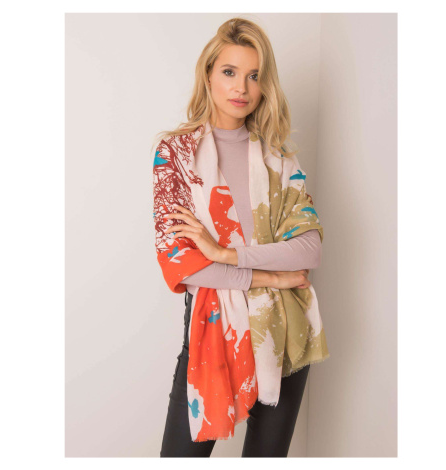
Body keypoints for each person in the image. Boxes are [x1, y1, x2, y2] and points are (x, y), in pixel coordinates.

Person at [153, 17, 323, 457]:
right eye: (229, 71)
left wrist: (224, 253)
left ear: (265, 86)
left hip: (282, 334)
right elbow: (182, 264)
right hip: (211, 333)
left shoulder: (279, 159)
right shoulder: (176, 156)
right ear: (208, 74)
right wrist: (272, 277)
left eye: (254, 75)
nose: (241, 88)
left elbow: (309, 249)